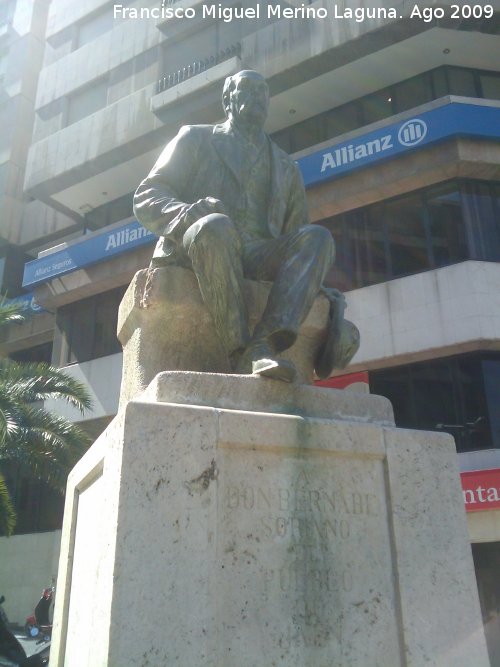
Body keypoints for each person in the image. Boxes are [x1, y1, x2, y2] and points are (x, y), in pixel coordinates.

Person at [134, 70, 335, 382]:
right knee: (215, 226)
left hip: (258, 253)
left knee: (318, 238)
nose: (257, 98)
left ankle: (262, 345)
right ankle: (239, 350)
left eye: (263, 93)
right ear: (227, 99)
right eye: (248, 90)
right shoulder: (196, 138)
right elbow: (147, 195)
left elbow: (298, 238)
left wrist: (325, 293)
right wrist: (187, 212)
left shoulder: (286, 167)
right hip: (203, 243)